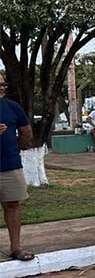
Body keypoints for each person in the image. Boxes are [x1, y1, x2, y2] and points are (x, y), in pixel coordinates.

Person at [0, 72, 34, 261]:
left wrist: (15, 148)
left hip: (10, 165)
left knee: (12, 204)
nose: (2, 87)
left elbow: (26, 133)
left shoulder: (12, 107)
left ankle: (16, 247)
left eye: (4, 84)